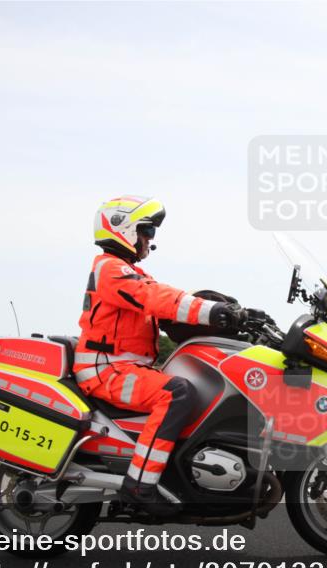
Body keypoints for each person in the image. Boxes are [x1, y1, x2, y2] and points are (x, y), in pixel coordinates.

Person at [74, 195, 243, 515]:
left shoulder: (127, 271)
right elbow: (155, 297)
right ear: (123, 228)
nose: (149, 240)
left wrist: (238, 313)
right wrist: (213, 311)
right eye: (146, 231)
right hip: (106, 370)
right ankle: (140, 484)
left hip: (124, 366)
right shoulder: (111, 269)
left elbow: (167, 305)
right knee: (176, 393)